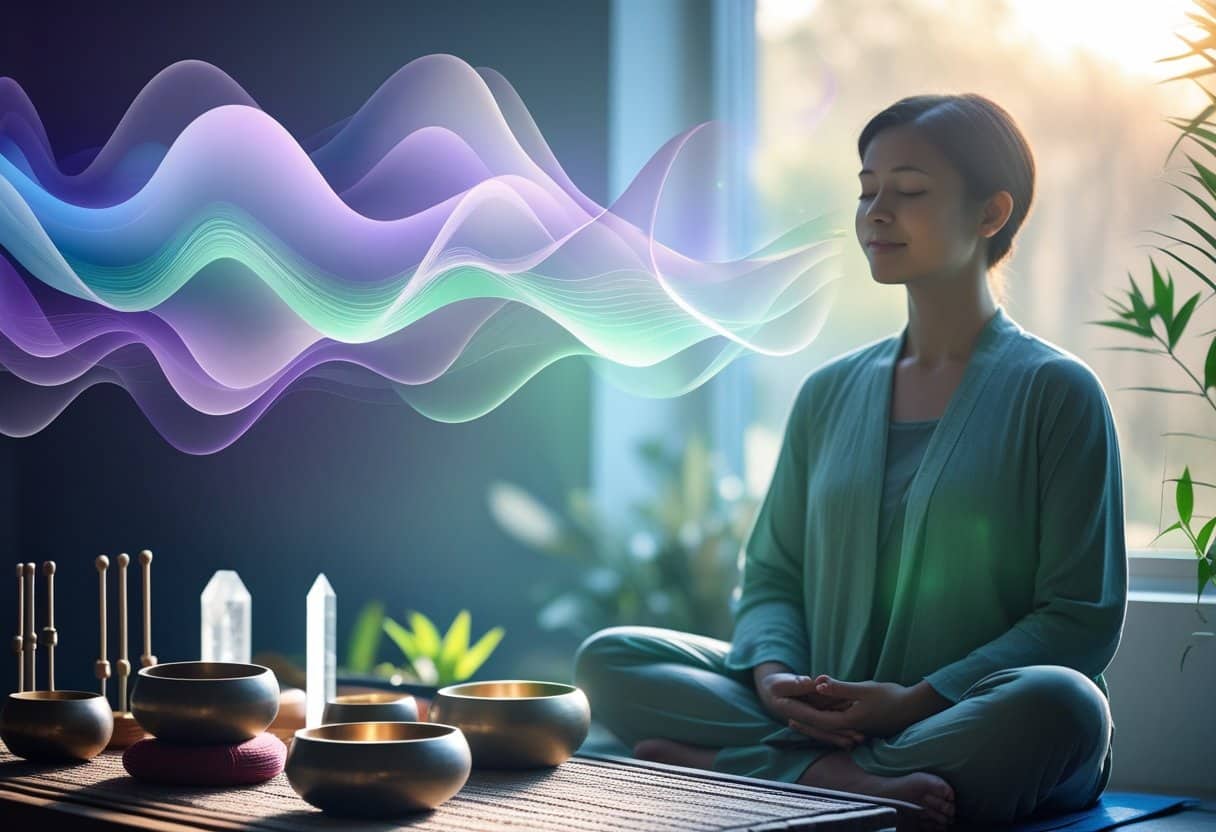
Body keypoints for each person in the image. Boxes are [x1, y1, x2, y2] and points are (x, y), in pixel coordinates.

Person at [573, 93, 1126, 830]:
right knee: (611, 657)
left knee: (1065, 706)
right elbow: (773, 576)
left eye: (910, 191)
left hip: (959, 719)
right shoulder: (829, 392)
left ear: (992, 213)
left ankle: (745, 776)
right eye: (867, 191)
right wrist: (775, 682)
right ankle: (854, 784)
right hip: (814, 719)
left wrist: (914, 700)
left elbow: (1078, 619)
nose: (875, 213)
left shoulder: (1057, 394)